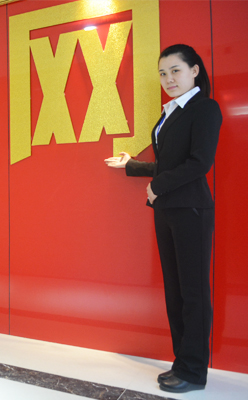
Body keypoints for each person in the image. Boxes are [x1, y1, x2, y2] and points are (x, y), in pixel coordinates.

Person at [105, 44, 222, 393]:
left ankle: (193, 371)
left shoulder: (204, 108)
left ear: (194, 71)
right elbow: (169, 163)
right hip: (167, 210)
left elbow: (200, 163)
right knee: (176, 291)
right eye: (162, 73)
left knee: (193, 292)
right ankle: (181, 362)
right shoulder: (171, 111)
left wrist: (157, 186)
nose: (168, 79)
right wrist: (132, 165)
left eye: (175, 70)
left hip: (191, 210)